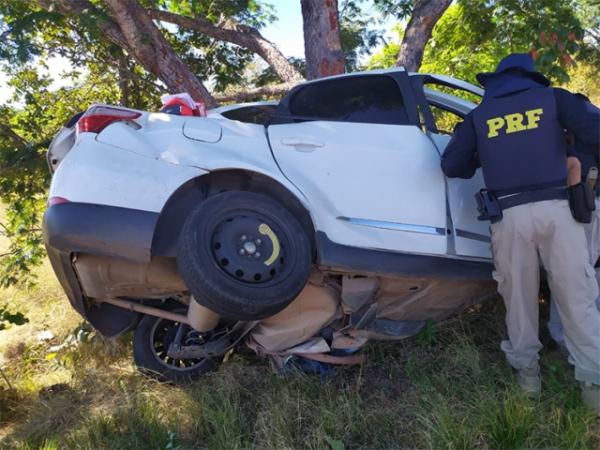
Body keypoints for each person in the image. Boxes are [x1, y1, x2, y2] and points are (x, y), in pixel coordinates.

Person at [440, 53, 600, 413]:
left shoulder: (479, 115)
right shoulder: (554, 99)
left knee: (519, 301)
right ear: (531, 78)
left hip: (509, 216)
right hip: (560, 212)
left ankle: (528, 380)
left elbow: (452, 165)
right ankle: (593, 389)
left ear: (496, 80)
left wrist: (488, 153)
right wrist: (570, 147)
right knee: (578, 298)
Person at [548, 120, 600, 350]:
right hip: (585, 205)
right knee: (584, 273)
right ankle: (573, 338)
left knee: (570, 273)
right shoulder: (587, 123)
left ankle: (564, 337)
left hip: (576, 206)